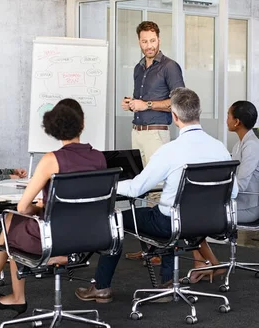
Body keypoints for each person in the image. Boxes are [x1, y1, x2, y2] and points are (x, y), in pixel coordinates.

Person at [75, 88, 237, 303]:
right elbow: (233, 191)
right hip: (212, 222)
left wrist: (108, 185)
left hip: (172, 223)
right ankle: (168, 281)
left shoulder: (169, 151)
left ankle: (101, 287)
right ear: (198, 113)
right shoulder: (220, 148)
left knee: (115, 220)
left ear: (174, 116)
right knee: (165, 212)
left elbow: (135, 189)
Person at [0, 98, 107, 315]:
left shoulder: (52, 160)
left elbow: (23, 208)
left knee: (11, 223)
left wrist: (42, 208)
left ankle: (16, 296)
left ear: (54, 129)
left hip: (55, 237)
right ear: (83, 124)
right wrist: (50, 206)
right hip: (91, 236)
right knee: (15, 223)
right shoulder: (99, 158)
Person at [122, 21, 186, 262]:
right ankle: (147, 246)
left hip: (157, 133)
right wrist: (133, 104)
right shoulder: (139, 68)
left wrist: (146, 105)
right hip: (138, 131)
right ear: (139, 42)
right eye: (144, 41)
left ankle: (161, 249)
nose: (148, 45)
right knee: (141, 185)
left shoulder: (169, 67)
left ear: (159, 39)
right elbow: (142, 101)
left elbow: (179, 101)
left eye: (152, 40)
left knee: (158, 189)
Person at [185, 100, 259, 284]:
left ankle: (211, 264)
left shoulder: (251, 146)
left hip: (247, 207)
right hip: (236, 203)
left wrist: (213, 193)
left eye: (229, 116)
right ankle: (205, 263)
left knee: (192, 217)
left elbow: (241, 185)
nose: (226, 120)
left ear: (237, 121)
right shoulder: (241, 144)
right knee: (190, 214)